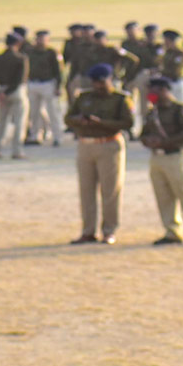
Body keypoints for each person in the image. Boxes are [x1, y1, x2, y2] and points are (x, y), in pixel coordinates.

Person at [65, 63, 134, 244]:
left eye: (101, 82)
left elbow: (127, 122)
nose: (97, 85)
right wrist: (80, 121)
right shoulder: (84, 97)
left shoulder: (120, 98)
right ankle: (88, 230)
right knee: (86, 191)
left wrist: (101, 123)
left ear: (109, 80)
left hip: (108, 143)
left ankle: (109, 230)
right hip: (86, 144)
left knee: (110, 191)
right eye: (95, 82)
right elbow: (68, 117)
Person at [140, 76, 183, 245]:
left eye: (154, 90)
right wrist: (148, 141)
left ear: (164, 90)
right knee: (163, 196)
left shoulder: (180, 109)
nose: (150, 94)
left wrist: (165, 142)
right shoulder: (152, 112)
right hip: (158, 157)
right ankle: (172, 231)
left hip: (176, 156)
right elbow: (143, 133)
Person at [0, 32, 29, 159]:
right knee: (19, 122)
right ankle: (17, 151)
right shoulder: (21, 58)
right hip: (16, 91)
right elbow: (20, 79)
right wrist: (7, 92)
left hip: (2, 89)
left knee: (1, 122)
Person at [24, 30, 63, 146]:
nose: (41, 41)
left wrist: (58, 86)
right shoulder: (30, 52)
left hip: (48, 83)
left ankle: (57, 136)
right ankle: (35, 135)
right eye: (39, 38)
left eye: (43, 39)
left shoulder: (52, 53)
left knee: (53, 111)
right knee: (34, 112)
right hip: (33, 83)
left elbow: (58, 71)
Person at [159, 29, 183, 102]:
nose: (165, 43)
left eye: (167, 41)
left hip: (177, 80)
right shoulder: (166, 52)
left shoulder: (181, 52)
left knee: (180, 103)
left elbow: (178, 67)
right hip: (167, 80)